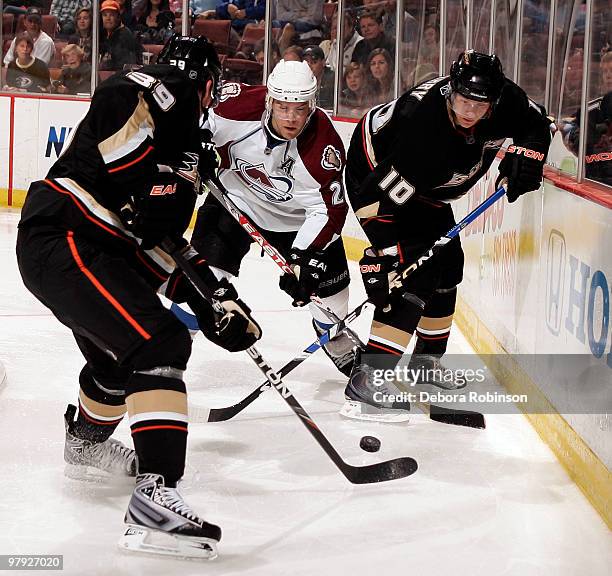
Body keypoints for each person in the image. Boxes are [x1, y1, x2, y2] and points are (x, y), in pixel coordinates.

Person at [16, 35, 261, 559]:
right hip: (65, 235)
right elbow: (127, 117)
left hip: (90, 249)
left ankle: (84, 446)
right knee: (160, 344)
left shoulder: (186, 152)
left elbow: (158, 247)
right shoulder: (152, 90)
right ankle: (155, 497)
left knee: (119, 356)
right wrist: (161, 177)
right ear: (208, 86)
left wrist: (212, 297)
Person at [342, 50, 552, 421]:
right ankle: (368, 380)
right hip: (375, 180)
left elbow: (538, 126)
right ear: (449, 92)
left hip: (428, 190)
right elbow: (382, 199)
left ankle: (424, 365)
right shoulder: (421, 125)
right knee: (413, 272)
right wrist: (388, 254)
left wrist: (526, 161)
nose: (470, 111)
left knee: (449, 264)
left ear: (495, 101)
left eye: (480, 104)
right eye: (463, 100)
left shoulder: (509, 101)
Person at [190, 59, 357, 377]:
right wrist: (196, 149)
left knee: (334, 301)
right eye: (283, 107)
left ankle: (335, 340)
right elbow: (192, 122)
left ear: (312, 104)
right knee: (203, 281)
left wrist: (305, 256)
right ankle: (170, 354)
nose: (291, 117)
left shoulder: (324, 147)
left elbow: (329, 209)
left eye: (300, 108)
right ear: (269, 100)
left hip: (295, 222)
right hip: (234, 202)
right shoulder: (235, 106)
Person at [99, 0, 143, 71]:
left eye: (112, 15)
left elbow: (125, 66)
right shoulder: (106, 35)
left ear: (118, 17)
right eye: (105, 15)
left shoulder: (123, 35)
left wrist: (103, 65)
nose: (108, 18)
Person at [303, 44, 334, 109]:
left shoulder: (332, 80)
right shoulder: (301, 79)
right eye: (306, 62)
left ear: (323, 62)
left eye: (314, 62)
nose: (309, 66)